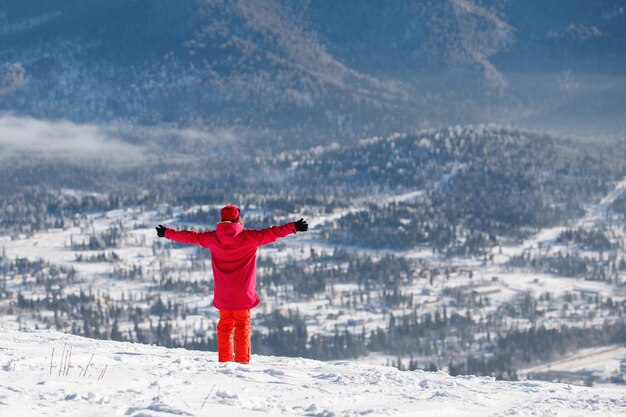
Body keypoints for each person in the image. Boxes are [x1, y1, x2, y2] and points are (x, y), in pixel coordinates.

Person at [155, 205, 308, 363]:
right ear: (238, 219)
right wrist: (293, 227)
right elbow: (273, 232)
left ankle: (225, 363)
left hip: (224, 293)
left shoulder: (213, 238)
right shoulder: (249, 237)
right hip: (243, 293)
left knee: (225, 326)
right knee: (242, 325)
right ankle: (242, 362)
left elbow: (190, 237)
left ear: (222, 219)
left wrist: (166, 232)